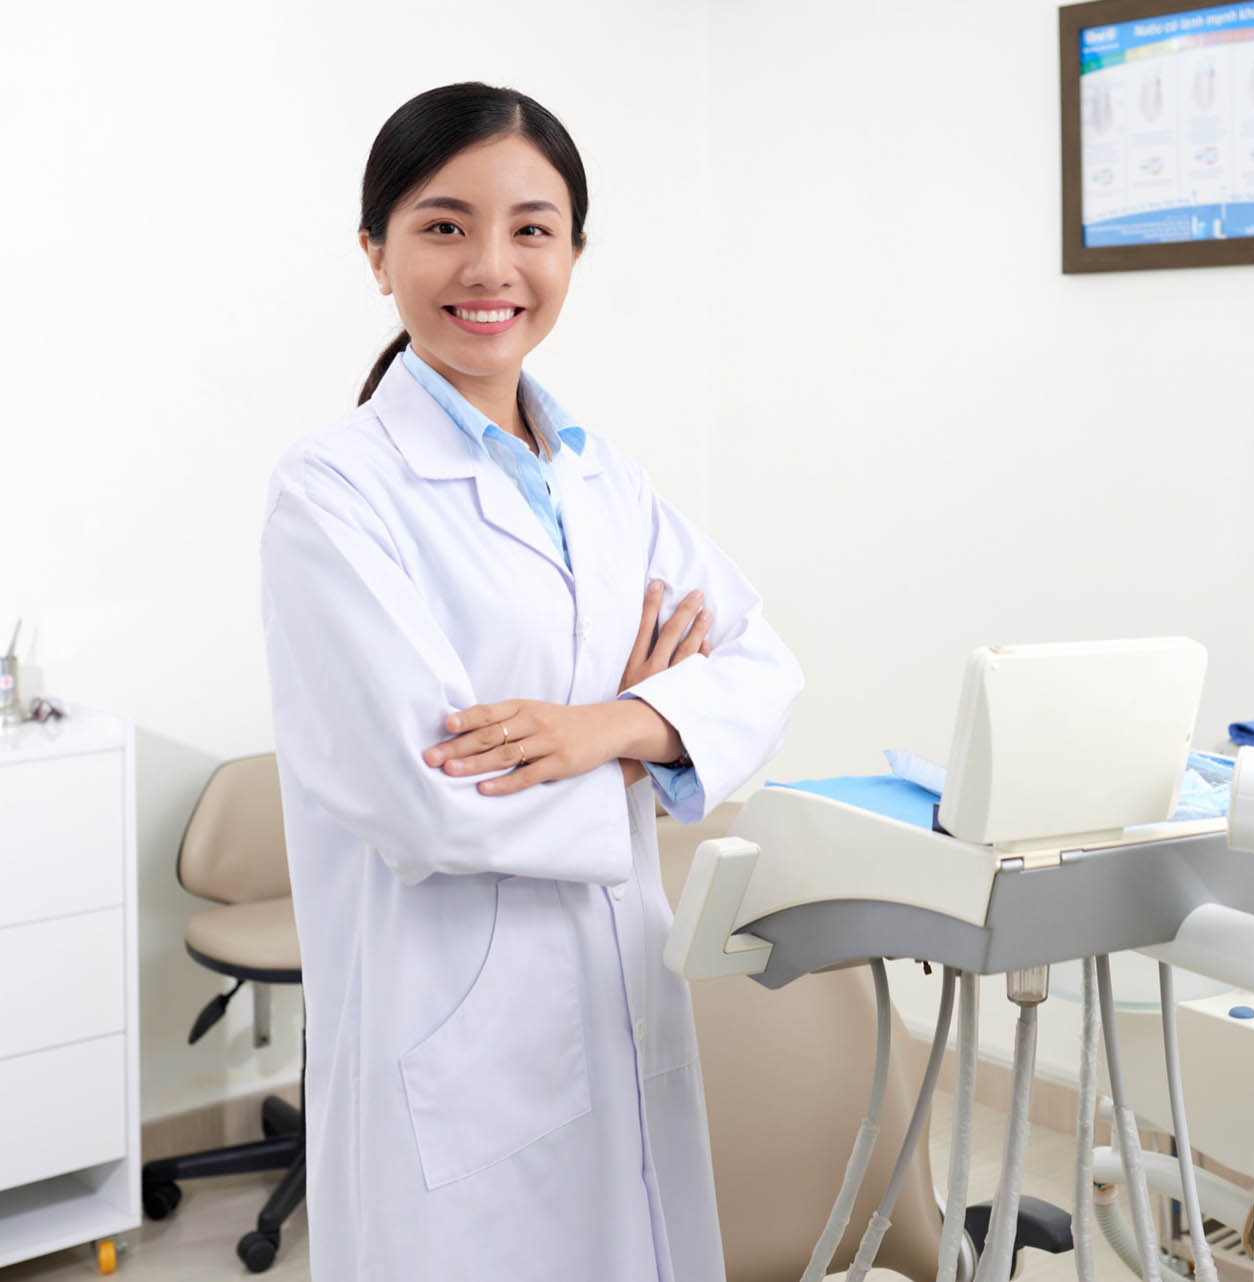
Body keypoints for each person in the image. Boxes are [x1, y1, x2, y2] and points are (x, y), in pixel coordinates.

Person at [259, 82, 802, 1281]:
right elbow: (433, 798)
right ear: (376, 252)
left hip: (621, 990)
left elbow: (762, 668)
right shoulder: (335, 493)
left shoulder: (605, 481)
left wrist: (606, 725)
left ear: (574, 253)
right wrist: (656, 742)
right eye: (444, 226)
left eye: (532, 228)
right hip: (455, 1029)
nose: (491, 266)